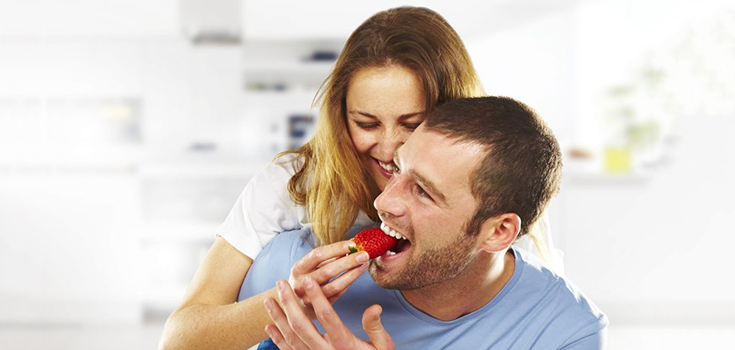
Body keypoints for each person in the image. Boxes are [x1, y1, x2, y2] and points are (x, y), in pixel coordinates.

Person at [160, 7, 562, 350]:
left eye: (413, 123)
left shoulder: (496, 212)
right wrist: (297, 299)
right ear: (341, 118)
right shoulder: (292, 185)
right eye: (366, 123)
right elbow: (181, 336)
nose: (389, 149)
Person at [243, 97, 608, 349]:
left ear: (498, 232)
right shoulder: (294, 269)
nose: (383, 202)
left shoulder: (565, 333)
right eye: (398, 170)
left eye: (423, 192)